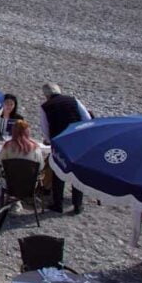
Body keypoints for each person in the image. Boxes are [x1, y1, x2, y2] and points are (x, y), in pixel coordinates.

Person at [39, 82, 92, 214]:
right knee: (76, 172)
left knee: (59, 172)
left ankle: (58, 204)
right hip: (77, 140)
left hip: (60, 140)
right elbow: (87, 118)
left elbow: (45, 128)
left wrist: (49, 140)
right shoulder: (74, 101)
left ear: (46, 95)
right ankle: (77, 205)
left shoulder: (45, 106)